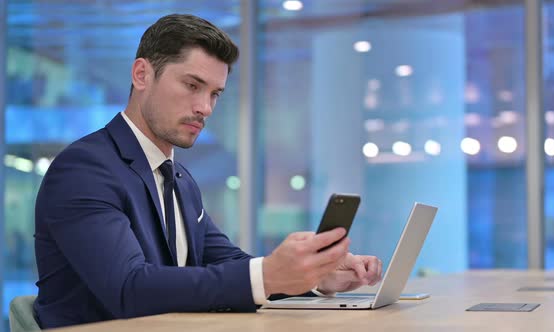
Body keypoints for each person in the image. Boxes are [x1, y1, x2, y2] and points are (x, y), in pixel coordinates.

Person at [33, 13, 382, 329]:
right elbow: (129, 289)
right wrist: (271, 275)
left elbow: (230, 263)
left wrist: (312, 276)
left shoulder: (179, 181)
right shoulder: (84, 169)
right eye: (192, 85)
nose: (205, 108)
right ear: (142, 75)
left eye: (215, 94)